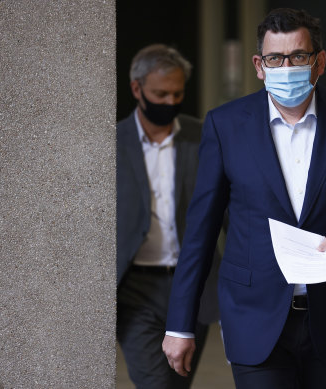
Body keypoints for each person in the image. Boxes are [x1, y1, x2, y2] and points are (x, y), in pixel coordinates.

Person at [162, 8, 326, 389]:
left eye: (298, 56)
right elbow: (200, 233)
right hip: (254, 316)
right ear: (259, 65)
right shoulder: (225, 125)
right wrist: (179, 324)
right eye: (275, 58)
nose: (286, 66)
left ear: (319, 62)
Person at [116, 44, 220, 389]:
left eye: (177, 94)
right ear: (136, 88)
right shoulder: (112, 142)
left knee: (178, 382)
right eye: (160, 93)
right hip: (135, 288)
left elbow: (229, 206)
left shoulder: (203, 135)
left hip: (192, 285)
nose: (170, 102)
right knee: (153, 383)